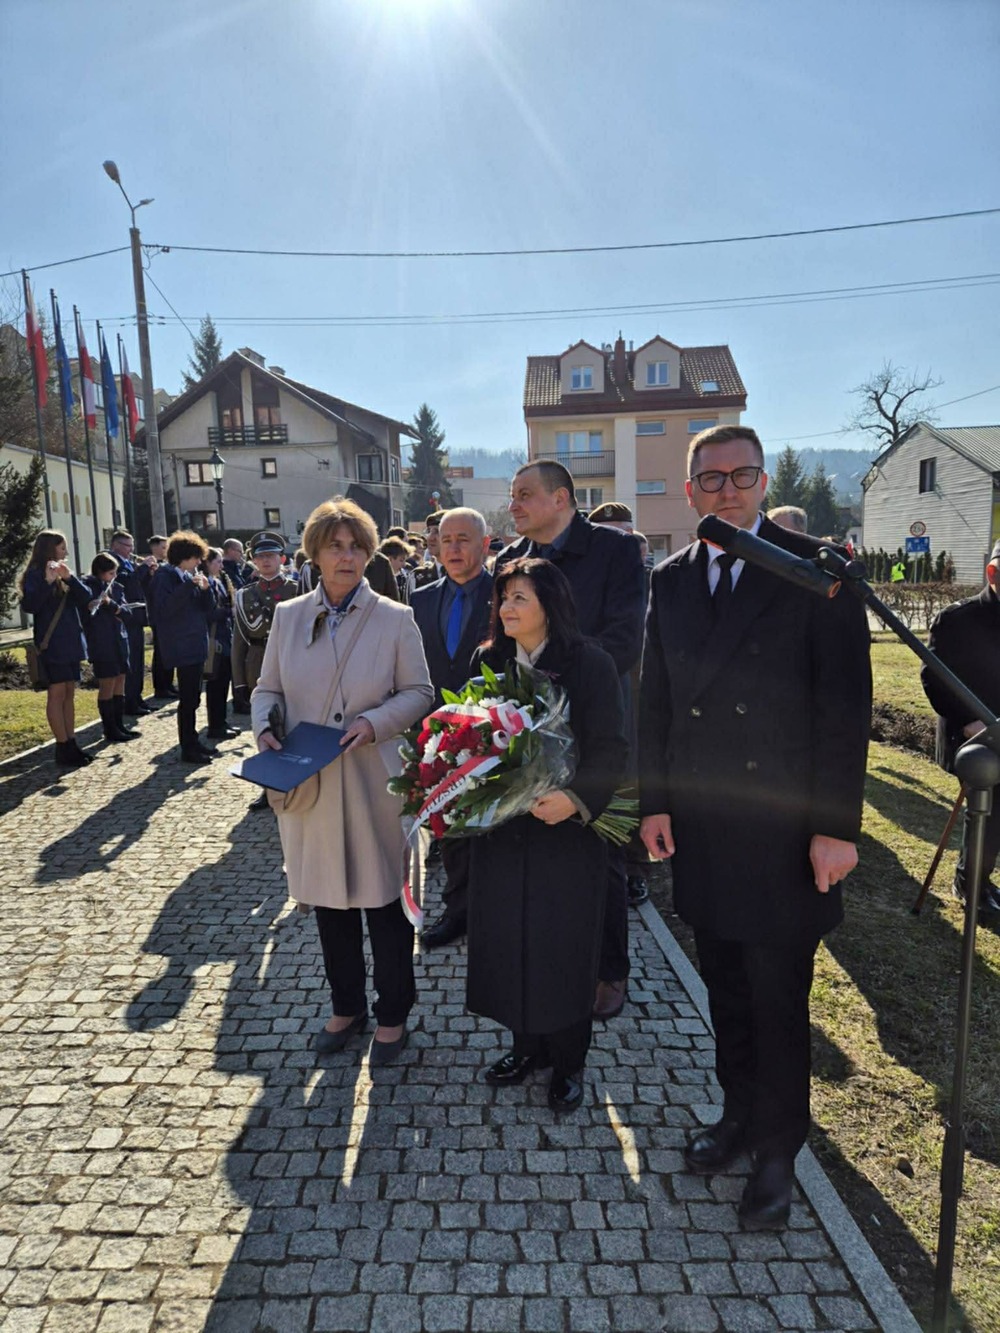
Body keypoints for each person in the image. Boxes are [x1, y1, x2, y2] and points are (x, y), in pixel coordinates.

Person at [638, 424, 871, 1230]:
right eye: (710, 478)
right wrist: (655, 801)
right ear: (689, 487)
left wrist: (836, 826)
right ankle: (738, 1117)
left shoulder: (813, 574)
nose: (727, 489)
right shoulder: (669, 578)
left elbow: (846, 708)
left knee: (778, 1000)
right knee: (727, 993)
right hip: (703, 823)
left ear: (765, 481)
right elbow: (656, 701)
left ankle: (779, 1149)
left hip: (782, 829)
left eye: (742, 475)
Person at [252, 497, 433, 1064]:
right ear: (315, 553)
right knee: (330, 902)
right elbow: (267, 690)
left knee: (384, 904)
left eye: (356, 546)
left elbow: (420, 693)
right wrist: (264, 727)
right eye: (335, 545)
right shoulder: (287, 616)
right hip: (314, 784)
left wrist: (375, 722)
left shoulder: (395, 618)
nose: (347, 556)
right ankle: (347, 1005)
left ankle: (393, 1014)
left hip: (375, 780)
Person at [468, 557, 628, 1112]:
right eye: (503, 598)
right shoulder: (488, 661)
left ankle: (569, 1061)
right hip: (505, 834)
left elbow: (611, 749)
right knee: (511, 940)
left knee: (564, 946)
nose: (506, 608)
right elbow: (468, 738)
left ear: (550, 606)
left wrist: (576, 799)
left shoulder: (589, 663)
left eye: (520, 599)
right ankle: (525, 1046)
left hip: (566, 833)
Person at [498, 460, 645, 1020]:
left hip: (595, 730)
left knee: (602, 855)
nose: (514, 505)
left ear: (562, 498)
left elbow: (624, 639)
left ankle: (610, 970)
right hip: (526, 735)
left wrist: (556, 686)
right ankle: (546, 959)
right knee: (538, 852)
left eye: (524, 495)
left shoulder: (614, 551)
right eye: (512, 496)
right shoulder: (511, 561)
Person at [410, 508, 494, 949]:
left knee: (493, 828)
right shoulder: (421, 600)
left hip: (495, 733)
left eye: (464, 539)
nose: (455, 548)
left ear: (485, 543)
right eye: (446, 540)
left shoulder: (507, 593)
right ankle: (458, 911)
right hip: (436, 736)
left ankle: (498, 912)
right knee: (452, 829)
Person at [921, 541, 1000, 923]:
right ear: (993, 574)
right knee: (989, 809)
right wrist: (971, 721)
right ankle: (971, 885)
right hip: (971, 734)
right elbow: (935, 680)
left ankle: (981, 879)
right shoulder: (958, 619)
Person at [587, 499, 651, 909]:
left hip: (644, 690)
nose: (623, 544)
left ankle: (634, 867)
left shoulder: (658, 579)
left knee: (637, 779)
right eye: (613, 537)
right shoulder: (590, 582)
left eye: (628, 535)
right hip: (606, 692)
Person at [18, 529, 95, 768]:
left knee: (70, 692)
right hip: (52, 642)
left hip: (71, 640)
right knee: (57, 692)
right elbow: (31, 605)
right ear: (49, 549)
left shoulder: (65, 573)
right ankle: (62, 746)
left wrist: (70, 578)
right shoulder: (34, 574)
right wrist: (47, 582)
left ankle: (71, 741)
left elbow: (86, 597)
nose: (66, 552)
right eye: (62, 548)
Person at [232, 531, 299, 767]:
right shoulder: (245, 595)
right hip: (258, 663)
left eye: (271, 555)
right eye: (260, 557)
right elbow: (239, 640)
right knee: (263, 726)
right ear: (254, 560)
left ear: (282, 559)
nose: (266, 561)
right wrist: (239, 682)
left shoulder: (298, 591)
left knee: (294, 722)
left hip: (292, 661)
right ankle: (268, 780)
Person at [149, 531, 216, 765]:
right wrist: (188, 586)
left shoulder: (191, 576)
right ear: (183, 556)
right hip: (181, 645)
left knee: (194, 697)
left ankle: (193, 741)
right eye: (195, 557)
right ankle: (187, 747)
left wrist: (206, 590)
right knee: (188, 699)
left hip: (196, 642)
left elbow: (208, 609)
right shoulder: (165, 576)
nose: (199, 562)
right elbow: (165, 609)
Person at [83, 552, 139, 744]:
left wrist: (112, 605)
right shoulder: (89, 587)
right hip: (102, 642)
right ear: (100, 572)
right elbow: (88, 615)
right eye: (110, 573)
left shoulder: (116, 588)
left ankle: (119, 724)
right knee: (107, 682)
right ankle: (110, 728)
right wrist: (100, 604)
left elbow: (127, 613)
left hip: (119, 640)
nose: (113, 577)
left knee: (120, 680)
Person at [109, 530, 151, 716]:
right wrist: (143, 569)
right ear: (116, 545)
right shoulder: (112, 561)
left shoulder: (129, 562)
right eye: (127, 546)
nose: (131, 549)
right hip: (126, 617)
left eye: (132, 545)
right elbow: (126, 582)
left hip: (136, 616)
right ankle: (130, 701)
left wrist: (149, 572)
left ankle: (137, 697)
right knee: (131, 662)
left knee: (138, 660)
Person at [201, 547, 239, 741]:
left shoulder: (218, 580)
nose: (221, 566)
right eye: (217, 562)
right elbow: (207, 613)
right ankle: (215, 726)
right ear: (207, 563)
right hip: (215, 638)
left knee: (223, 684)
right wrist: (228, 612)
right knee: (215, 685)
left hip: (225, 636)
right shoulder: (205, 583)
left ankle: (221, 722)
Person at [141, 535, 176, 700]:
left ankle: (168, 684)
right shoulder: (147, 566)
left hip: (168, 617)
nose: (165, 551)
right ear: (153, 548)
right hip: (157, 615)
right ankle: (160, 687)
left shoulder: (165, 566)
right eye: (163, 547)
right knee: (160, 653)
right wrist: (150, 573)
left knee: (168, 651)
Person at [406, 512, 445, 596]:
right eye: (429, 531)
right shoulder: (417, 577)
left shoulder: (467, 574)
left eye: (437, 531)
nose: (430, 537)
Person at [379, 536, 413, 602]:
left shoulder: (404, 579)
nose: (404, 564)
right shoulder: (377, 580)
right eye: (401, 560)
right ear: (389, 559)